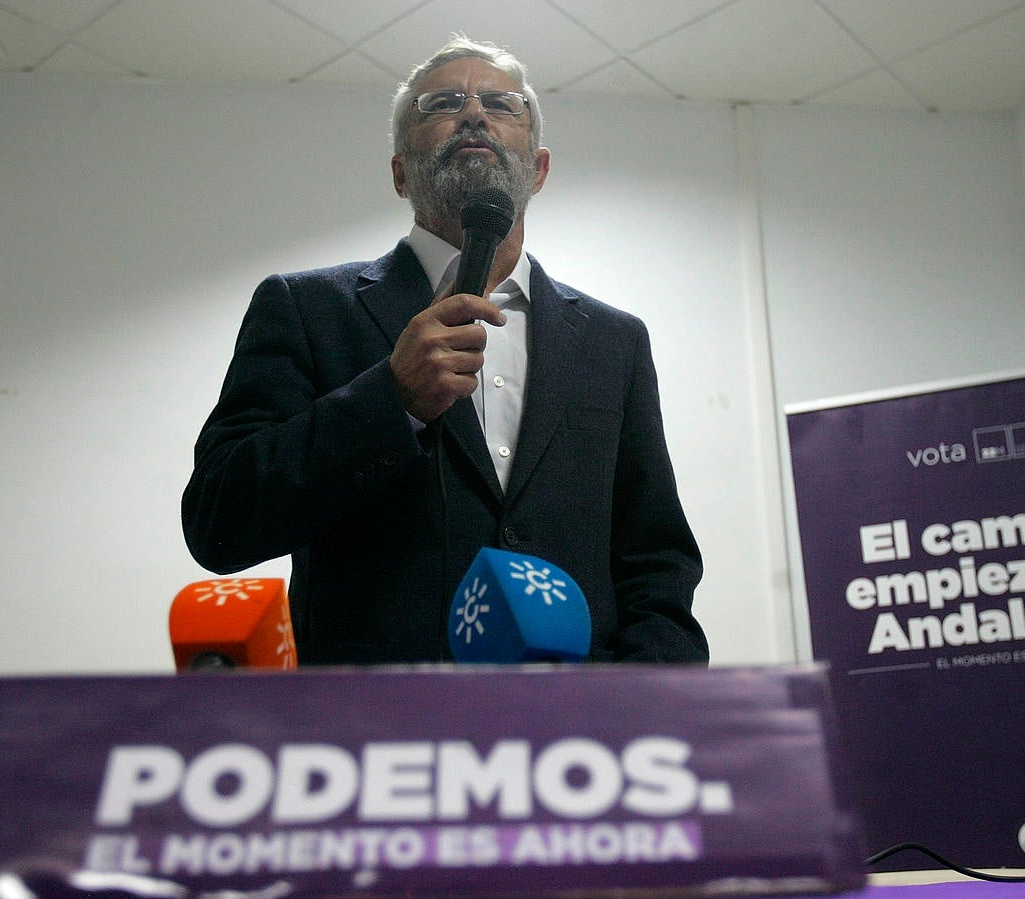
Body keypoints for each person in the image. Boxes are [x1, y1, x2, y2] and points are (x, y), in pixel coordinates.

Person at [182, 36, 707, 665]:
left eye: (501, 104)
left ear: (539, 171)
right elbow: (218, 520)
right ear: (400, 174)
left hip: (575, 713)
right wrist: (391, 399)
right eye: (443, 104)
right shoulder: (307, 309)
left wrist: (642, 693)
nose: (474, 113)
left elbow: (656, 557)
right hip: (381, 711)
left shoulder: (613, 340)